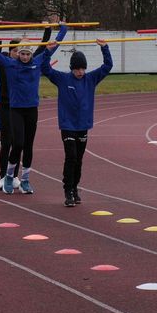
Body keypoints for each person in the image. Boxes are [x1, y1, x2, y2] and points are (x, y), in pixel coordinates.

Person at [0, 22, 66, 194]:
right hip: (15, 109)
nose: (24, 56)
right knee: (17, 144)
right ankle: (8, 176)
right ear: (17, 54)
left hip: (32, 109)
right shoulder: (9, 64)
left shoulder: (37, 61)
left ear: (31, 54)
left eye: (27, 54)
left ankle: (25, 180)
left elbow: (55, 45)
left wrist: (63, 29)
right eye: (21, 53)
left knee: (28, 146)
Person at [41, 40, 112, 207]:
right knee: (71, 157)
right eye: (77, 69)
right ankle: (68, 191)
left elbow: (107, 66)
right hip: (67, 125)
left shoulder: (91, 79)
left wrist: (104, 48)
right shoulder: (62, 79)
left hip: (83, 125)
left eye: (82, 68)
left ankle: (74, 187)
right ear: (72, 68)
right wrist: (47, 52)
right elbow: (45, 69)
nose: (80, 72)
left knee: (79, 159)